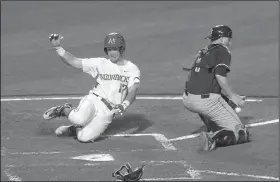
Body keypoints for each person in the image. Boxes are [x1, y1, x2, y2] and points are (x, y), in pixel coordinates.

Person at [43, 32, 141, 143]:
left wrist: (124, 104)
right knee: (79, 118)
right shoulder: (100, 63)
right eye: (108, 49)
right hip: (94, 100)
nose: (111, 53)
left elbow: (133, 91)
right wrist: (58, 47)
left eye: (114, 49)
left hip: (108, 112)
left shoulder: (132, 69)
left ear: (121, 49)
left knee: (84, 138)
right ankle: (64, 110)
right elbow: (74, 61)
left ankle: (74, 128)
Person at [183, 25, 251, 151]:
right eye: (228, 38)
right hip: (205, 102)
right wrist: (232, 96)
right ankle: (213, 139)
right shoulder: (222, 51)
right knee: (240, 132)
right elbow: (220, 75)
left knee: (223, 102)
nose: (230, 41)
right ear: (221, 39)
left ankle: (214, 127)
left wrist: (226, 99)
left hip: (188, 98)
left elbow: (195, 75)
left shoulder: (204, 50)